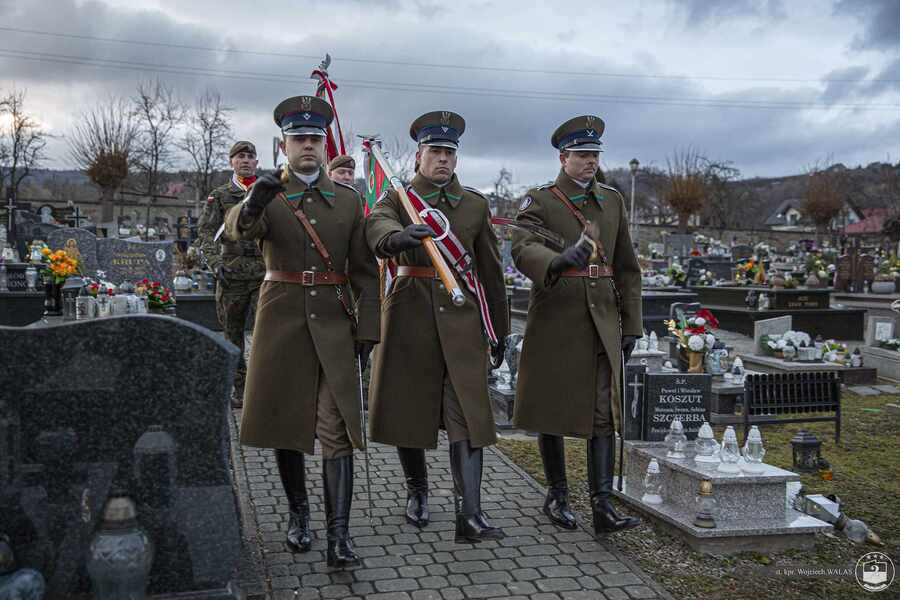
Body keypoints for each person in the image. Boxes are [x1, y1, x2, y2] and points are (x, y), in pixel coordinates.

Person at [223, 96, 380, 568]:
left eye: (315, 139)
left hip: (334, 321)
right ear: (284, 144)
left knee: (339, 430)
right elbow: (236, 232)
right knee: (286, 427)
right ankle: (298, 514)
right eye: (299, 139)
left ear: (325, 144)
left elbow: (365, 271)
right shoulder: (269, 192)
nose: (308, 146)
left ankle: (339, 536)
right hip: (282, 318)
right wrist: (253, 201)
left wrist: (368, 329)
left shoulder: (349, 200)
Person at [365, 110, 509, 543]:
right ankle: (417, 491)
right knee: (409, 409)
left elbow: (490, 271)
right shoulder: (398, 197)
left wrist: (498, 330)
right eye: (435, 152)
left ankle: (471, 514)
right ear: (419, 156)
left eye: (449, 152)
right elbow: (377, 227)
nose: (443, 160)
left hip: (461, 317)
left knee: (468, 415)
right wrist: (401, 236)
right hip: (410, 313)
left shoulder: (475, 205)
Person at [512, 115, 642, 537]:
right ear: (563, 157)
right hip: (557, 317)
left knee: (603, 412)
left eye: (595, 155)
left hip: (602, 317)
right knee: (551, 409)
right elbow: (522, 247)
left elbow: (626, 266)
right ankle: (557, 494)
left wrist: (632, 324)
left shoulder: (613, 201)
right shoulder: (541, 200)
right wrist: (556, 261)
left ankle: (602, 504)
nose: (590, 162)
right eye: (583, 155)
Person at [196, 141, 265, 409]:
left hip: (264, 274)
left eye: (250, 156)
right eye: (240, 157)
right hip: (231, 275)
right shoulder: (220, 195)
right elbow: (205, 232)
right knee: (232, 334)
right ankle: (240, 388)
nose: (245, 161)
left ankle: (263, 387)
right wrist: (214, 264)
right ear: (231, 162)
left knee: (265, 334)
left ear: (256, 162)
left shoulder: (266, 192)